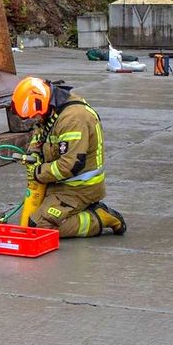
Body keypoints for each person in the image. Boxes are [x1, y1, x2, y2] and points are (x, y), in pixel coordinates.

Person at [11, 77, 126, 237]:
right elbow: (40, 134)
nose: (34, 120)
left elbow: (70, 165)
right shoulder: (51, 111)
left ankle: (99, 217)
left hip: (80, 188)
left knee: (39, 227)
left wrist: (38, 172)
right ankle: (74, 211)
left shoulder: (74, 119)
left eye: (34, 116)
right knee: (31, 219)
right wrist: (33, 153)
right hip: (58, 183)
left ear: (41, 102)